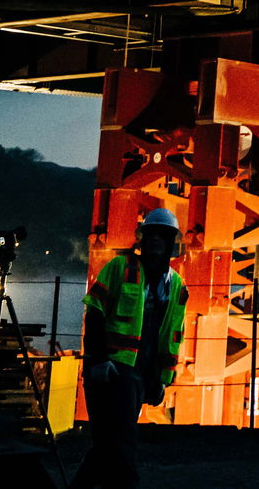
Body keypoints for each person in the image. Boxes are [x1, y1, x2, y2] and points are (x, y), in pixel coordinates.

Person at [73, 207, 189, 489]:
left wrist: (161, 380)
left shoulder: (176, 286)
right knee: (118, 441)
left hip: (139, 373)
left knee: (109, 443)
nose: (156, 241)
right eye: (151, 235)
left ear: (171, 242)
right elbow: (95, 312)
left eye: (163, 236)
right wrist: (98, 360)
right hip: (110, 368)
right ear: (142, 238)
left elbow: (172, 335)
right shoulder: (119, 268)